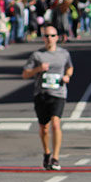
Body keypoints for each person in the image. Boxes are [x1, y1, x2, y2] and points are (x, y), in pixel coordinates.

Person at [22, 23, 74, 172]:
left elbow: (70, 67)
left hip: (58, 93)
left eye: (52, 36)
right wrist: (38, 69)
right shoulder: (37, 55)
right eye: (46, 36)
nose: (49, 39)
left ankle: (56, 157)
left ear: (57, 38)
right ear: (43, 38)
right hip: (42, 94)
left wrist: (67, 76)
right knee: (44, 128)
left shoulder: (64, 54)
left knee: (56, 124)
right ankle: (47, 153)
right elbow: (25, 74)